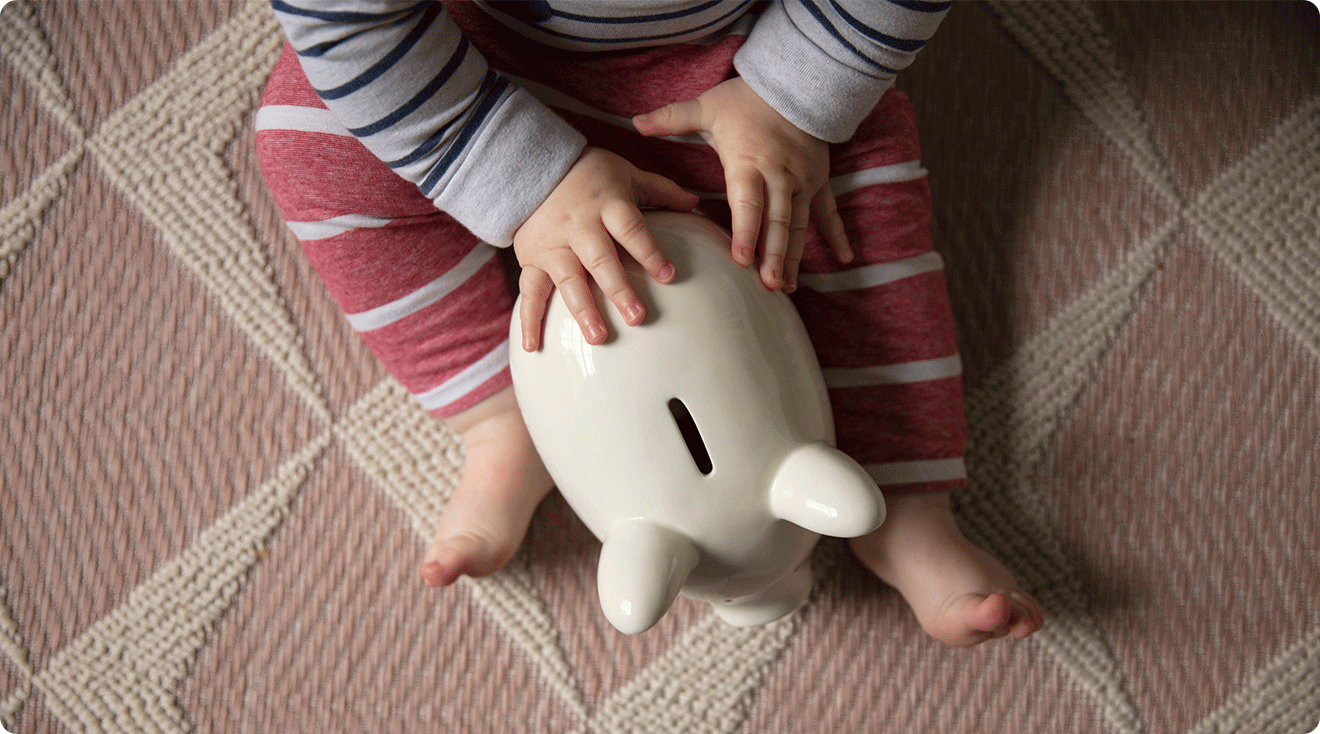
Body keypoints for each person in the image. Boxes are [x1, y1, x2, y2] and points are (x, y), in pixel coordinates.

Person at [256, 0, 1044, 647]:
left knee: (856, 198)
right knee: (308, 140)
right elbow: (347, 25)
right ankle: (498, 417)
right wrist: (507, 171)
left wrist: (799, 89)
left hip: (743, 69)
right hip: (471, 66)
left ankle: (905, 500)